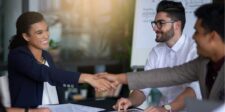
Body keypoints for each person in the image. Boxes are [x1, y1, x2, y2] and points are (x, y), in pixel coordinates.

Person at [99, 2, 224, 111]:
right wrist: (120, 81)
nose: (194, 36)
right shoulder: (202, 62)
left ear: (177, 25)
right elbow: (164, 76)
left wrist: (167, 109)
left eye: (160, 23)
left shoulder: (195, 51)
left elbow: (194, 90)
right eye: (155, 23)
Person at [8, 11, 116, 109]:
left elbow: (57, 79)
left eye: (47, 30)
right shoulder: (17, 56)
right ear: (26, 36)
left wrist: (92, 80)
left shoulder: (46, 56)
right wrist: (86, 78)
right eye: (39, 32)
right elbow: (46, 73)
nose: (46, 35)